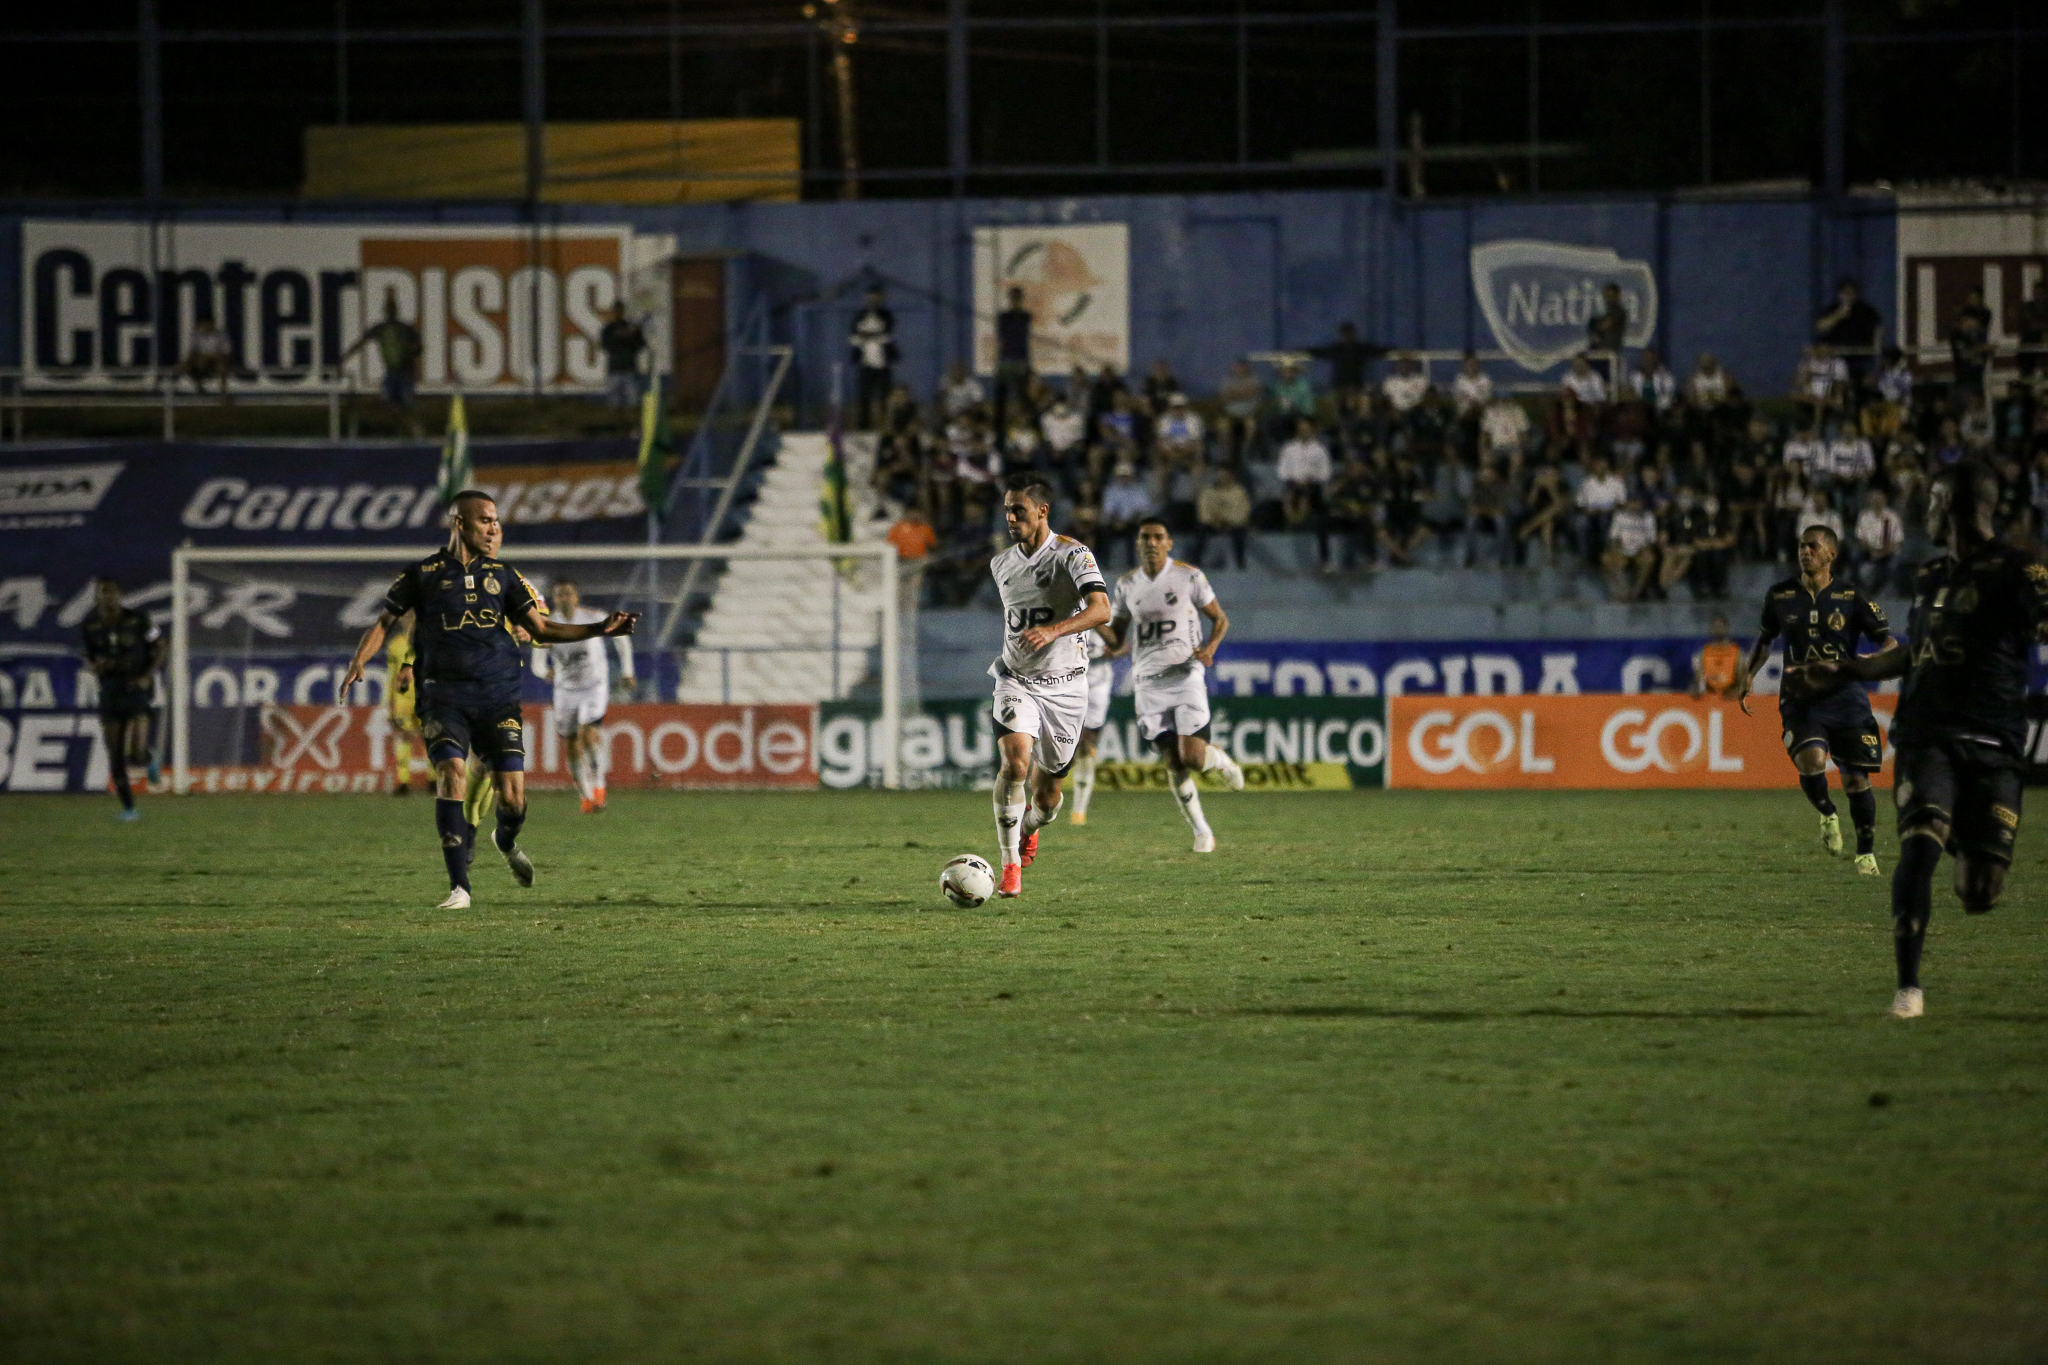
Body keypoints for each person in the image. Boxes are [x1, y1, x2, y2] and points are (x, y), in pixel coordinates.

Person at [1790, 461, 2048, 1018]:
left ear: (1953, 506)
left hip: (1995, 738)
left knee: (1979, 890)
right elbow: (1917, 650)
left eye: (1931, 500)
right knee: (1919, 843)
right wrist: (1847, 669)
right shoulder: (1930, 574)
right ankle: (1908, 990)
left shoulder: (2019, 569)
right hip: (1926, 732)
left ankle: (1961, 832)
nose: (1924, 511)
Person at [340, 492, 639, 910]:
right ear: (459, 523)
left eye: (497, 522)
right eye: (486, 521)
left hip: (497, 697)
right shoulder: (424, 574)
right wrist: (366, 659)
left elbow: (540, 627)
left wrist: (596, 629)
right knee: (453, 773)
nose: (495, 529)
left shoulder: (508, 578)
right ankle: (460, 884)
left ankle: (504, 837)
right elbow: (399, 622)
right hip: (443, 695)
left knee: (511, 796)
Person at [1735, 524, 1896, 876]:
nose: (1805, 552)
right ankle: (1827, 812)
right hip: (1800, 697)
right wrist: (1748, 677)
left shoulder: (1851, 596)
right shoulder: (1780, 595)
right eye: (1801, 546)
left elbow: (1889, 642)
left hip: (1846, 698)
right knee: (1811, 762)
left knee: (1856, 781)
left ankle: (1865, 853)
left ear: (1831, 554)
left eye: (1812, 546)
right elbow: (1766, 640)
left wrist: (1874, 660)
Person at [985, 472, 1112, 899]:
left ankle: (1030, 828)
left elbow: (1102, 610)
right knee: (1014, 765)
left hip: (1066, 687)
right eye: (1007, 510)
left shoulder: (1073, 555)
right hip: (1015, 679)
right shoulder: (1001, 564)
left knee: (1048, 799)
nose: (1010, 518)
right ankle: (1009, 866)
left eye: (1018, 510)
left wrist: (1054, 630)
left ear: (1042, 511)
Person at [1100, 519, 1246, 854]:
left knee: (1192, 757)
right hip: (1148, 682)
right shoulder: (1126, 585)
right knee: (1173, 760)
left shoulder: (1189, 576)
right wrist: (1094, 620)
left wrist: (1209, 649)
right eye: (1145, 538)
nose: (1151, 543)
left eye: (1158, 537)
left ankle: (1221, 762)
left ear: (1169, 543)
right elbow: (1117, 638)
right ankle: (1202, 831)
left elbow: (1220, 619)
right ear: (1137, 544)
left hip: (1185, 675)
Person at [531, 578, 636, 814]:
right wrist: (545, 672)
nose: (564, 598)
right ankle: (585, 796)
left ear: (576, 597)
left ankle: (599, 785)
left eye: (568, 593)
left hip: (594, 686)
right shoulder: (546, 626)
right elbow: (536, 664)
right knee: (571, 744)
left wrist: (628, 671)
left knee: (588, 734)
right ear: (554, 599)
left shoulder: (593, 618)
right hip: (565, 691)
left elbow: (621, 637)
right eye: (560, 594)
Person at [80, 577, 164, 822]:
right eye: (103, 593)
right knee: (115, 753)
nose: (108, 597)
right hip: (110, 691)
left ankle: (149, 758)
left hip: (136, 689)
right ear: (97, 597)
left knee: (135, 751)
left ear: (121, 595)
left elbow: (161, 646)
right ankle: (129, 809)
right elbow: (88, 656)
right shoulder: (90, 626)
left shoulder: (139, 619)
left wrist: (147, 675)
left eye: (112, 592)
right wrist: (95, 666)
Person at [1067, 625, 1121, 828]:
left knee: (1085, 745)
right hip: (1069, 684)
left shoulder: (1107, 616)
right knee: (1065, 744)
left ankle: (1079, 810)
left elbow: (1123, 646)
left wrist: (1109, 651)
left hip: (1098, 686)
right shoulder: (1067, 614)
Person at [343, 298, 424, 429]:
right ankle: (402, 427)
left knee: (407, 403)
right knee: (388, 403)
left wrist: (414, 365)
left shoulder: (403, 328)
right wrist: (345, 357)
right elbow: (362, 342)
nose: (390, 312)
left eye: (391, 309)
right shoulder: (382, 328)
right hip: (391, 372)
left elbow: (418, 347)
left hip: (405, 372)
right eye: (388, 309)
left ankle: (415, 430)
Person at [385, 612, 425, 795]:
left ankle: (432, 780)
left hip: (424, 696)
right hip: (404, 698)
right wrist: (390, 703)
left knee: (428, 737)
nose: (407, 621)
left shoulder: (425, 640)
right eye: (405, 618)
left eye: (411, 618)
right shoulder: (395, 645)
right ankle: (403, 781)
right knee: (404, 736)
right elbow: (392, 675)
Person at [848, 287, 897, 430]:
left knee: (884, 394)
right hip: (865, 362)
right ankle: (864, 424)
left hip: (882, 362)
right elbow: (854, 338)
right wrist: (868, 336)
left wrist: (870, 336)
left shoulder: (886, 315)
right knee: (864, 394)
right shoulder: (860, 315)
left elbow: (888, 337)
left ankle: (884, 424)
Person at [993, 286, 1034, 449]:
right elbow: (1003, 335)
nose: (1015, 300)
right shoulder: (1004, 317)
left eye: (1018, 297)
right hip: (1006, 360)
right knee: (1001, 401)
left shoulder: (1025, 316)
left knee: (1024, 399)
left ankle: (1029, 433)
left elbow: (1023, 338)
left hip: (1020, 360)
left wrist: (1028, 364)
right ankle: (999, 437)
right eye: (1013, 297)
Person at [1193, 464, 1252, 571]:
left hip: (1232, 523)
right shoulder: (1208, 491)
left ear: (1232, 476)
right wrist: (1215, 520)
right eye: (1220, 475)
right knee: (1201, 531)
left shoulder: (1239, 491)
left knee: (1239, 532)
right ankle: (1195, 562)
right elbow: (1203, 511)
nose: (1222, 478)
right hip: (1212, 523)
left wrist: (1228, 521)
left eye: (1225, 476)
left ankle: (1240, 563)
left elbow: (1243, 511)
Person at [599, 305, 648, 411]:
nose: (618, 313)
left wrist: (630, 336)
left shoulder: (630, 327)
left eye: (619, 311)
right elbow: (606, 345)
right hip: (615, 369)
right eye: (616, 311)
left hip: (629, 369)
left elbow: (641, 344)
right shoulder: (609, 329)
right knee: (614, 403)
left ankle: (631, 419)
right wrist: (621, 337)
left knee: (633, 402)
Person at [1689, 614, 1744, 699]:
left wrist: (1736, 692)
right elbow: (1698, 679)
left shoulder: (1737, 653)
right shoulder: (1702, 653)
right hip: (1709, 698)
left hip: (1730, 699)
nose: (1718, 629)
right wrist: (1697, 689)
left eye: (1720, 626)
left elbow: (1743, 681)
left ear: (1727, 629)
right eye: (1715, 627)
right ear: (1710, 629)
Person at [178, 317, 233, 396]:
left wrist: (210, 357)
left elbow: (226, 351)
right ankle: (199, 387)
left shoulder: (221, 335)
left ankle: (223, 389)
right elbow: (192, 350)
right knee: (186, 366)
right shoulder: (196, 335)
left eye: (207, 324)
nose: (205, 326)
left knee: (222, 365)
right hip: (200, 359)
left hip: (216, 360)